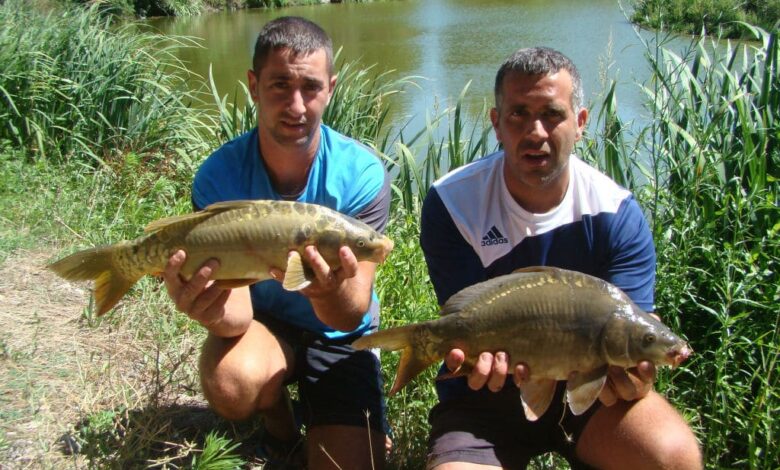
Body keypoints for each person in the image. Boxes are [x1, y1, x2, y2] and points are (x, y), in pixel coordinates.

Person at [419, 47, 702, 470]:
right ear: (496, 124)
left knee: (674, 457)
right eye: (517, 114)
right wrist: (466, 355)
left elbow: (633, 331)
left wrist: (634, 381)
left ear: (580, 123)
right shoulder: (453, 202)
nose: (535, 131)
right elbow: (467, 320)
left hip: (592, 401)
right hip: (483, 399)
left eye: (552, 114)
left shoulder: (615, 213)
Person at [161, 16, 391, 470]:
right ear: (253, 84)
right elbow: (237, 315)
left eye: (310, 87)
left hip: (341, 337)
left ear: (330, 88)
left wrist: (327, 291)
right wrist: (204, 303)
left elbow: (349, 312)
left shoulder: (361, 174)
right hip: (265, 325)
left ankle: (335, 416)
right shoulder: (219, 175)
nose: (296, 105)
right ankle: (281, 427)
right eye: (280, 85)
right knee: (230, 382)